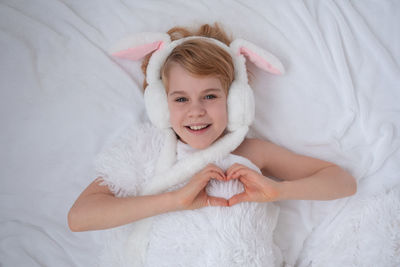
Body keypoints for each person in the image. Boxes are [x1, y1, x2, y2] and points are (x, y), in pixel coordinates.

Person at [68, 23, 357, 266]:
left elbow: (342, 182)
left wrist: (279, 190)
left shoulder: (251, 153)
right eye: (181, 99)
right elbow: (80, 217)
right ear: (160, 104)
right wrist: (175, 200)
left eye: (210, 96)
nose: (196, 111)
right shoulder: (146, 151)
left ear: (235, 100)